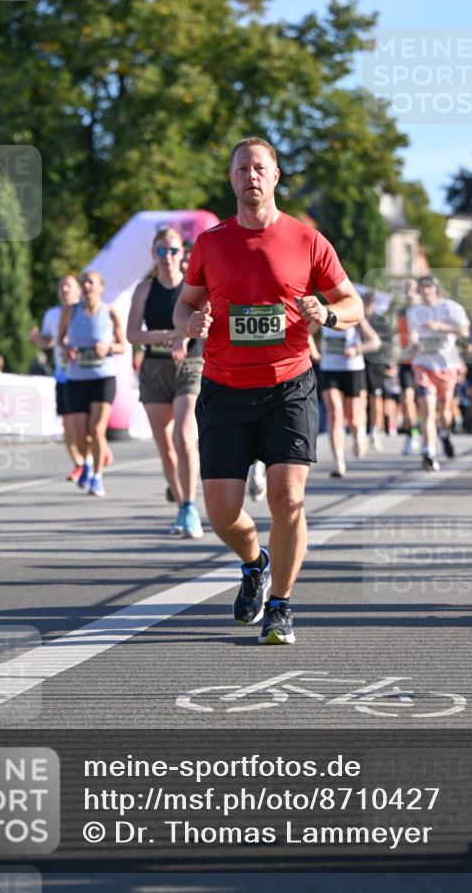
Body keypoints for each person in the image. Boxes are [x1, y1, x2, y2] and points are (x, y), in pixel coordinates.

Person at [173, 137, 363, 645]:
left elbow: (352, 303)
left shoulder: (307, 240)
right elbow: (184, 305)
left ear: (276, 175)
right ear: (231, 179)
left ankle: (281, 604)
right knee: (221, 512)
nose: (250, 176)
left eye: (260, 167)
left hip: (288, 386)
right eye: (241, 169)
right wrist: (190, 322)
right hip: (224, 388)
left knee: (288, 498)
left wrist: (329, 314)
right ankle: (254, 562)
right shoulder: (211, 243)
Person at [127, 227, 204, 538]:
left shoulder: (193, 286)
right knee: (165, 447)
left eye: (173, 251)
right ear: (154, 254)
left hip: (189, 366)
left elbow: (204, 325)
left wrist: (185, 336)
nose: (168, 257)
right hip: (154, 369)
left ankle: (190, 508)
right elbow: (132, 335)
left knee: (184, 438)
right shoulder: (144, 290)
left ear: (181, 254)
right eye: (162, 251)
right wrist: (168, 335)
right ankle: (182, 504)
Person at [58, 270, 125, 497]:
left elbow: (123, 346)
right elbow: (60, 340)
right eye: (83, 283)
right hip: (76, 378)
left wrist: (107, 348)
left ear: (100, 287)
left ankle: (97, 477)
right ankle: (86, 463)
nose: (86, 286)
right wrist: (67, 350)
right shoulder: (70, 311)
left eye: (90, 282)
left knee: (96, 431)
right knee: (79, 435)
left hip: (102, 377)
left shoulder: (110, 313)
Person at [407, 275, 470, 471]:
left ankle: (445, 433)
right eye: (422, 288)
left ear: (436, 288)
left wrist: (440, 327)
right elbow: (412, 334)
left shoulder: (450, 307)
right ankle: (429, 452)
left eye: (429, 287)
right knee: (427, 410)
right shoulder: (414, 312)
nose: (426, 291)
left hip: (446, 366)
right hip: (423, 365)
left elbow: (465, 331)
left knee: (444, 411)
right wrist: (413, 343)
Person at [29, 274, 88, 481]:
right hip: (63, 375)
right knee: (67, 424)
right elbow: (48, 342)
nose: (64, 290)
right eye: (61, 286)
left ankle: (95, 451)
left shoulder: (87, 312)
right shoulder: (51, 315)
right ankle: (79, 464)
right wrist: (38, 339)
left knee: (86, 425)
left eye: (68, 286)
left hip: (86, 374)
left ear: (78, 291)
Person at [319, 316, 380, 476]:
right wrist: (314, 354)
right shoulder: (322, 313)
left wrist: (356, 350)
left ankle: (359, 433)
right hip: (329, 368)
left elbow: (375, 341)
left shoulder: (355, 316)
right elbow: (306, 334)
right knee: (334, 414)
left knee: (352, 416)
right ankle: (339, 463)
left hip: (352, 368)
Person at [362, 290, 393, 451]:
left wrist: (390, 364)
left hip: (377, 364)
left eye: (370, 303)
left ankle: (375, 431)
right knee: (361, 399)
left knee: (376, 398)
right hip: (360, 363)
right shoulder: (357, 320)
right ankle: (363, 431)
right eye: (365, 303)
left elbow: (388, 345)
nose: (367, 307)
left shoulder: (381, 321)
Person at [396, 279, 422, 455]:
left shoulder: (425, 310)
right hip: (406, 361)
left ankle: (436, 433)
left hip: (424, 361)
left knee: (426, 402)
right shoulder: (401, 311)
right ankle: (412, 434)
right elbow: (396, 333)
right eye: (406, 288)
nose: (409, 291)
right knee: (406, 399)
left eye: (412, 288)